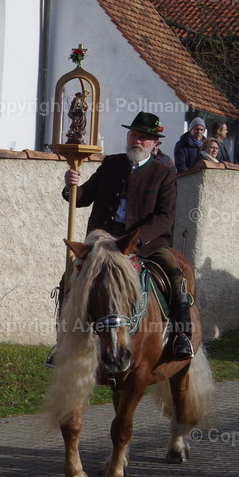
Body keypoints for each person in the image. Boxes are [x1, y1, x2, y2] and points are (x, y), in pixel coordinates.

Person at [64, 111, 193, 359]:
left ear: (155, 144)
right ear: (128, 135)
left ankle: (181, 336)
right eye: (134, 134)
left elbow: (165, 216)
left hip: (146, 245)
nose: (137, 141)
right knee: (68, 279)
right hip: (101, 245)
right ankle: (65, 340)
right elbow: (82, 198)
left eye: (144, 137)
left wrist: (136, 239)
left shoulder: (164, 174)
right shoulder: (111, 164)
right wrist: (72, 186)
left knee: (176, 276)